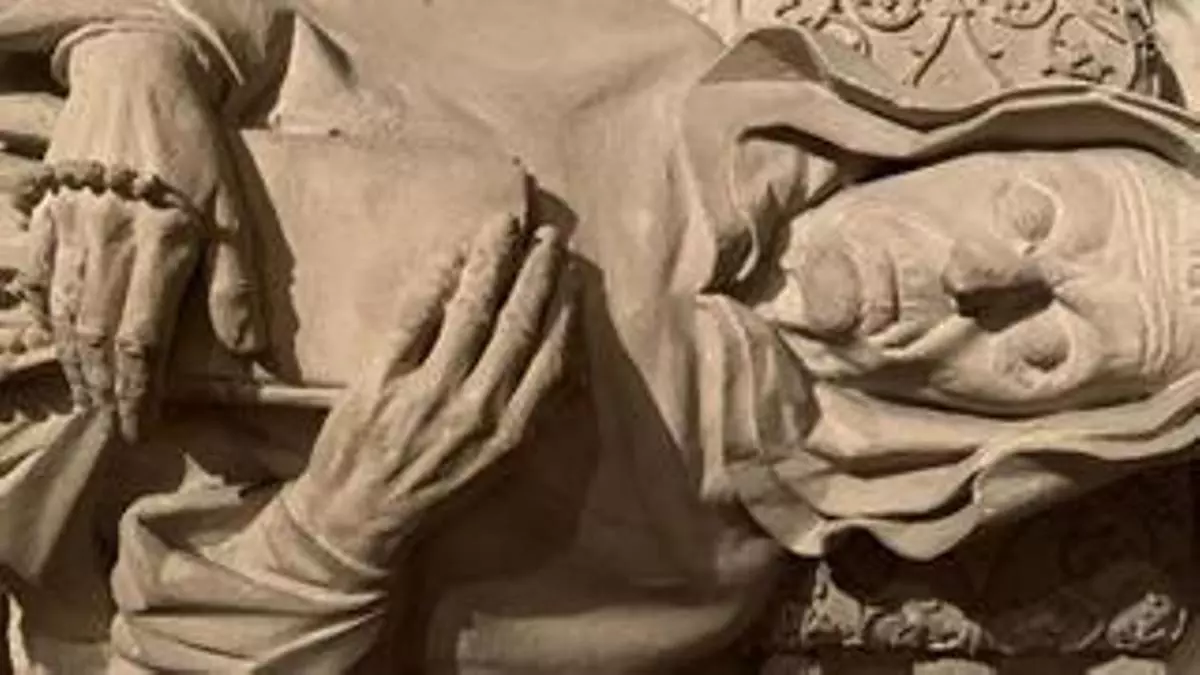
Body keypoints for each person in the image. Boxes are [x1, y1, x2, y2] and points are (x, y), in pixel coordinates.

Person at [0, 0, 1196, 672]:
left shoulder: (686, 583)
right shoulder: (651, 66)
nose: (982, 289)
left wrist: (337, 535)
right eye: (1030, 217)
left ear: (1021, 438)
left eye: (1049, 356)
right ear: (989, 140)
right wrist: (144, 57)